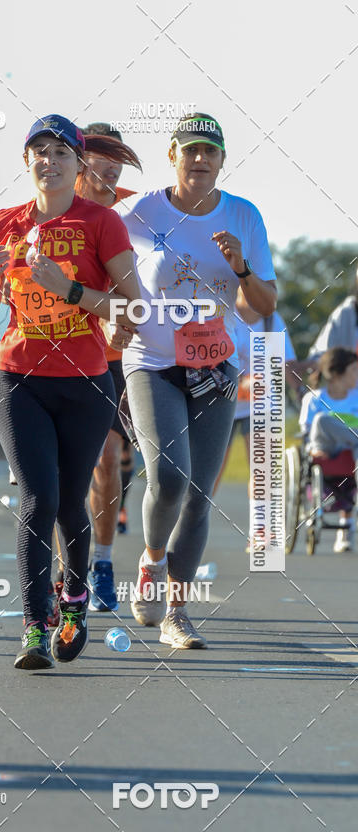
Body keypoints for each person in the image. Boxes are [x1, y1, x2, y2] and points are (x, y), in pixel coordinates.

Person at [0, 114, 140, 670]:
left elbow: (131, 308)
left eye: (61, 152)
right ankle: (34, 626)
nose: (50, 160)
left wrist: (65, 288)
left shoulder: (100, 223)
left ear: (79, 163)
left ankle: (75, 597)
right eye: (39, 151)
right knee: (39, 497)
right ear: (26, 163)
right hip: (18, 378)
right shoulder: (6, 222)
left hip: (86, 381)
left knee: (71, 502)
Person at [117, 112, 277, 647]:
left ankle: (177, 613)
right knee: (169, 477)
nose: (200, 160)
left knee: (200, 494)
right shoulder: (137, 212)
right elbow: (96, 257)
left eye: (210, 151)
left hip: (216, 365)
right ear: (173, 155)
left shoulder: (243, 216)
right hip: (152, 360)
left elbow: (263, 307)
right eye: (190, 150)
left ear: (222, 160)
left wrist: (240, 269)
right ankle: (150, 562)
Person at [75, 127, 142, 611]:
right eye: (102, 157)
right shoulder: (53, 202)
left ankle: (100, 561)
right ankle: (69, 567)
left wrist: (127, 320)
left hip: (113, 357)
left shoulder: (136, 208)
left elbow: (147, 278)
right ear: (80, 160)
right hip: (52, 352)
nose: (113, 167)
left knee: (106, 457)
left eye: (119, 158)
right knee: (59, 476)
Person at [213, 288, 299, 551]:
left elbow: (286, 366)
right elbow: (209, 361)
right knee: (210, 474)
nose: (251, 289)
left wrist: (302, 394)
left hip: (261, 404)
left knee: (260, 469)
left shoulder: (272, 320)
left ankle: (260, 531)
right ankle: (187, 524)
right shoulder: (221, 315)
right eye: (245, 283)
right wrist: (241, 381)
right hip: (223, 401)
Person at [299, 347, 358, 552]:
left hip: (351, 453)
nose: (357, 375)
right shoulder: (314, 398)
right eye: (354, 370)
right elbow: (307, 432)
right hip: (324, 450)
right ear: (337, 373)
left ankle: (345, 534)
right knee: (322, 420)